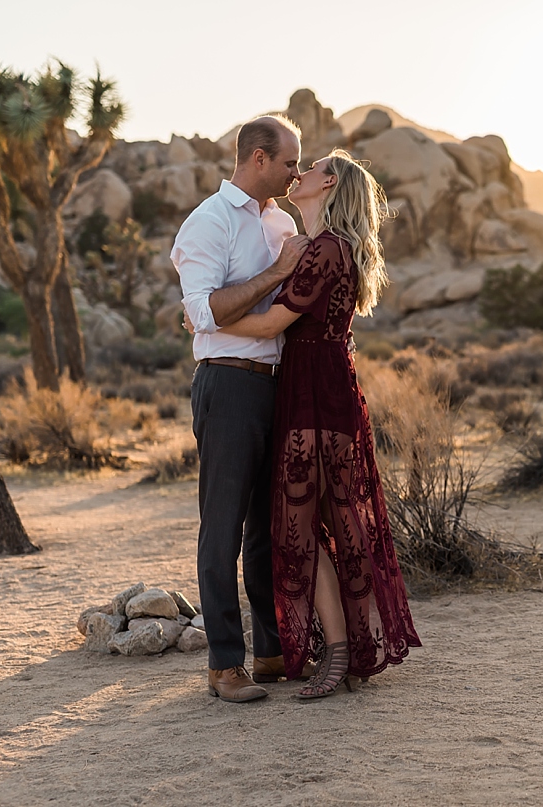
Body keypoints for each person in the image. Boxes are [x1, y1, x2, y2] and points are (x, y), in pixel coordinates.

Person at [216, 148, 421, 699]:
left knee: (317, 526)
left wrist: (207, 313)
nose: (297, 173)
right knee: (330, 522)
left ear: (328, 183)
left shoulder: (325, 250)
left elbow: (272, 326)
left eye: (308, 169)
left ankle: (340, 654)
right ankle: (349, 651)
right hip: (320, 386)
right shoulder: (327, 247)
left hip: (315, 391)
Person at [172, 116, 311, 703]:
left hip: (276, 383)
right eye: (288, 163)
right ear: (257, 158)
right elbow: (206, 313)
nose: (295, 172)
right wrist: (277, 271)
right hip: (227, 385)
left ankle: (272, 651)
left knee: (265, 528)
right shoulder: (207, 222)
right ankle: (224, 665)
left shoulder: (283, 220)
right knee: (223, 527)